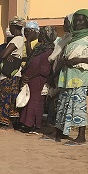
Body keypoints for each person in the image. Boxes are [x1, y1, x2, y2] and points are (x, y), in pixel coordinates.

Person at [54, 9, 88, 145]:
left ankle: (81, 136)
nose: (78, 23)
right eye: (76, 20)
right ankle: (61, 132)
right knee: (63, 104)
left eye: (82, 20)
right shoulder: (71, 38)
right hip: (67, 76)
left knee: (79, 106)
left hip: (80, 77)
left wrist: (79, 60)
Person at [18, 26, 56, 134]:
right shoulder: (39, 48)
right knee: (28, 100)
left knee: (35, 102)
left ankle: (32, 125)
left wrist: (29, 77)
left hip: (38, 80)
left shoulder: (49, 50)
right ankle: (25, 123)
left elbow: (44, 69)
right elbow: (30, 60)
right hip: (30, 79)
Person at [0, 17, 26, 129]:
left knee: (4, 97)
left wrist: (6, 55)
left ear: (13, 27)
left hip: (9, 74)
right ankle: (7, 123)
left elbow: (3, 55)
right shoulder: (19, 39)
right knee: (10, 98)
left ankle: (5, 123)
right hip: (14, 73)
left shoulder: (17, 39)